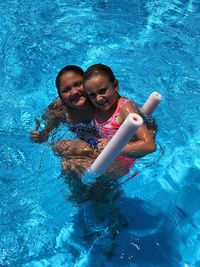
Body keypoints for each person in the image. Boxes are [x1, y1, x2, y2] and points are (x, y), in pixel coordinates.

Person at [82, 63, 156, 161]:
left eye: (103, 91)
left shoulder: (124, 110)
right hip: (105, 153)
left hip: (124, 159)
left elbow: (150, 146)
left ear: (115, 85)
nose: (98, 98)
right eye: (92, 95)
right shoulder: (97, 107)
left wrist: (113, 146)